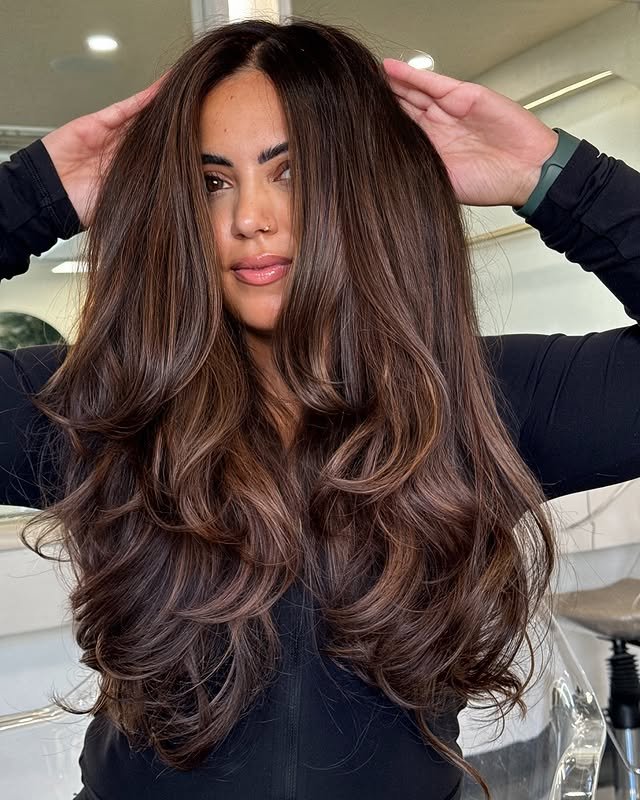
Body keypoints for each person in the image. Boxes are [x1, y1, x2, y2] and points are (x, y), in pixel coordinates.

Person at [1, 18, 639, 800]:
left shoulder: (479, 400)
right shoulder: (103, 405)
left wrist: (554, 176)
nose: (249, 217)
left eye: (292, 171)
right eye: (212, 182)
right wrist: (35, 193)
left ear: (361, 186)